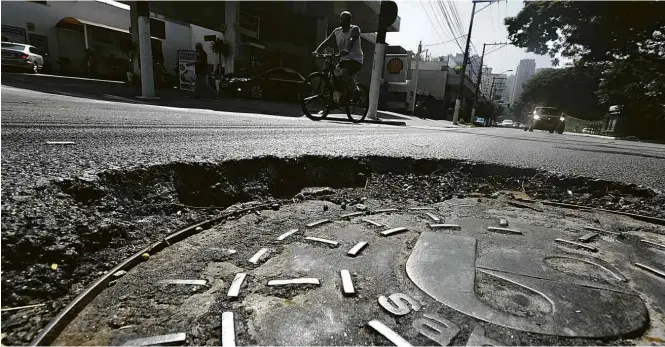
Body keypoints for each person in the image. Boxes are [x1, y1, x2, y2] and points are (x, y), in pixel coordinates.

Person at [313, 11, 363, 104]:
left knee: (345, 73)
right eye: (342, 19)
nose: (344, 22)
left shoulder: (355, 29)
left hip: (356, 60)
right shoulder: (337, 31)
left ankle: (356, 91)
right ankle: (338, 98)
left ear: (350, 20)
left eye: (346, 20)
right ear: (340, 20)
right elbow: (326, 42)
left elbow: (352, 40)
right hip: (344, 60)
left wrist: (347, 50)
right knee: (333, 75)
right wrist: (317, 51)